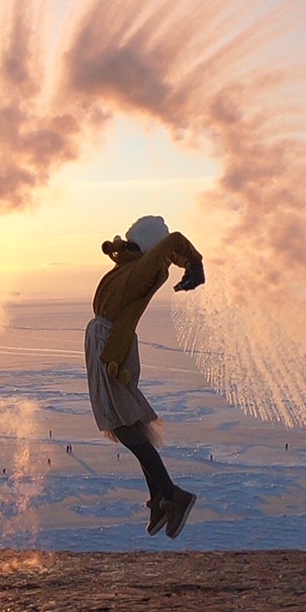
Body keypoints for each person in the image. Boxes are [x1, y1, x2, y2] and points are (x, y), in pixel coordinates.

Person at [86, 215, 205, 538]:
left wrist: (193, 262)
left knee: (122, 422)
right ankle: (160, 499)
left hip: (111, 345)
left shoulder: (141, 269)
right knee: (124, 421)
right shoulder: (129, 266)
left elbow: (176, 239)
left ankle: (172, 495)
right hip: (105, 341)